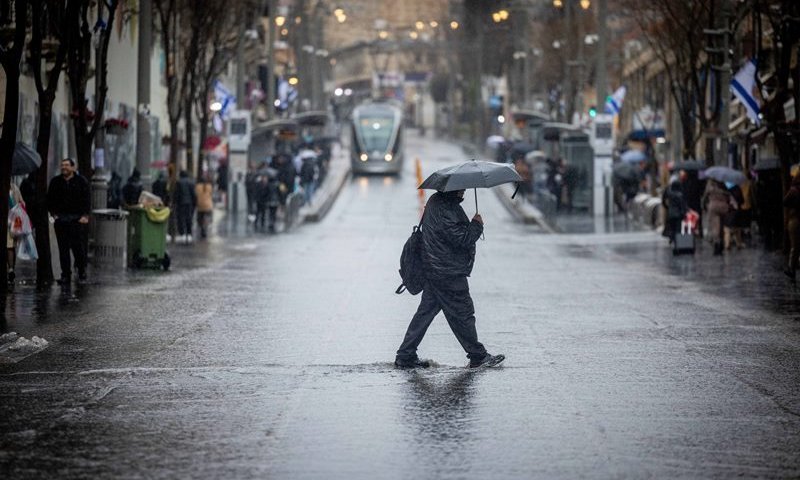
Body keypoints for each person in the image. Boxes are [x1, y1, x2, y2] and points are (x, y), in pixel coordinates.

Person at [395, 189, 505, 369]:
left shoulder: (437, 202)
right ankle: (478, 355)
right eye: (462, 188)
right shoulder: (447, 209)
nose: (464, 191)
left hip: (435, 269)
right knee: (463, 313)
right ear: (453, 189)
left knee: (425, 314)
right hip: (448, 272)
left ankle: (405, 355)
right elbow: (462, 239)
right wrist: (476, 225)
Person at [47, 158, 91, 285]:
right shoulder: (55, 182)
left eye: (66, 165)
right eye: (62, 165)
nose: (64, 167)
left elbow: (87, 199)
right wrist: (54, 215)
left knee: (78, 247)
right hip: (61, 220)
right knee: (63, 249)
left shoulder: (81, 181)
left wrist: (85, 215)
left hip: (76, 220)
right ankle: (65, 274)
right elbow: (50, 199)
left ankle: (81, 270)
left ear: (73, 167)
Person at [702, 179, 732, 256]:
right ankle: (722, 243)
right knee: (722, 226)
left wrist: (704, 206)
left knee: (715, 227)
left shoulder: (710, 186)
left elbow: (705, 196)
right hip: (724, 207)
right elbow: (730, 195)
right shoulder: (725, 185)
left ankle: (717, 245)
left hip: (713, 208)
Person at [782, 174, 800, 283]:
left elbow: (785, 202)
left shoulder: (794, 190)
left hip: (795, 219)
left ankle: (791, 269)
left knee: (795, 246)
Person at [7, 183, 24, 285]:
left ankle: (10, 269)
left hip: (12, 222)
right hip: (13, 222)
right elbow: (22, 203)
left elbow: (21, 202)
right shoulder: (14, 188)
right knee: (10, 247)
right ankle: (11, 269)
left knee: (10, 246)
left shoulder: (14, 188)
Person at [173, 170, 196, 244]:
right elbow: (193, 194)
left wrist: (174, 202)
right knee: (188, 218)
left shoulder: (179, 182)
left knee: (181, 218)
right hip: (189, 203)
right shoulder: (191, 182)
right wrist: (194, 203)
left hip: (181, 203)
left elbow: (176, 193)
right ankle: (189, 234)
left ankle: (182, 234)